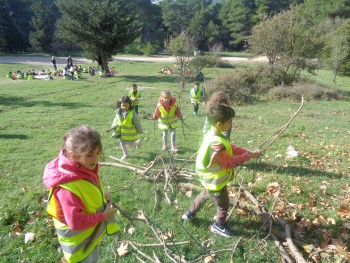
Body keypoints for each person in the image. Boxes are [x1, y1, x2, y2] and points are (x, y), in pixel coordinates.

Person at [182, 104, 261, 238]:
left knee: (205, 194)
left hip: (208, 180)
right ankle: (218, 225)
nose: (231, 125)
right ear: (219, 124)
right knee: (223, 202)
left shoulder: (213, 135)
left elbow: (230, 147)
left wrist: (246, 152)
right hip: (215, 181)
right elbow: (228, 163)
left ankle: (189, 213)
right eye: (229, 122)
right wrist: (247, 157)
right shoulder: (216, 145)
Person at [43, 125, 119, 263]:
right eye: (89, 155)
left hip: (88, 239)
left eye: (97, 153)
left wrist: (101, 195)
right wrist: (103, 216)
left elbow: (87, 188)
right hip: (78, 247)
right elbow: (76, 223)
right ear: (73, 155)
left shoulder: (82, 168)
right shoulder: (67, 188)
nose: (95, 159)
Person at [110, 96, 143, 160]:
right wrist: (113, 126)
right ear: (120, 105)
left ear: (130, 105)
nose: (124, 107)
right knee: (122, 143)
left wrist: (140, 130)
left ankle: (137, 143)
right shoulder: (118, 112)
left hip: (130, 133)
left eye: (126, 106)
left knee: (131, 144)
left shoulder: (132, 114)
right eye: (123, 105)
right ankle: (126, 154)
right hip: (122, 133)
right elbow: (116, 120)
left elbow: (137, 122)